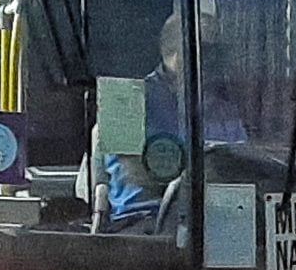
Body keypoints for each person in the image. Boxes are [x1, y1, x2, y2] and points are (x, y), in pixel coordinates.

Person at [103, 12, 246, 231]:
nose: (218, 60)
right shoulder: (123, 102)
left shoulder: (224, 107)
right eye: (210, 51)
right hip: (146, 222)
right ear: (177, 52)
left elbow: (243, 167)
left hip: (219, 221)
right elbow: (134, 176)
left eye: (220, 52)